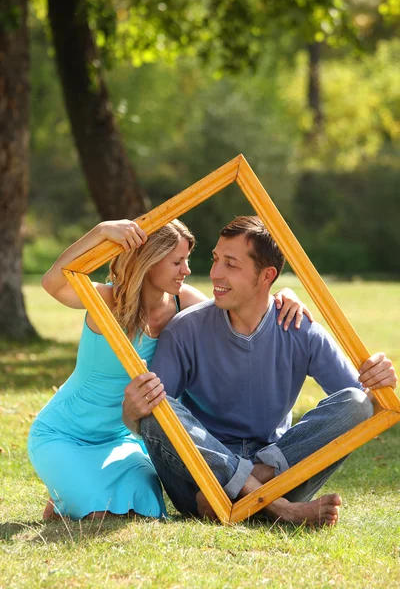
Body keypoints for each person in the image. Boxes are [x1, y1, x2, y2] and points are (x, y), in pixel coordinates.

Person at [122, 216, 398, 526]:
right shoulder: (184, 330)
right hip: (201, 476)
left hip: (276, 470)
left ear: (266, 275)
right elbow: (155, 422)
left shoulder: (300, 329)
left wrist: (380, 383)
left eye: (231, 264)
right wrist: (133, 412)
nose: (215, 274)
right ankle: (280, 509)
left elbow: (362, 409)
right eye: (215, 260)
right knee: (158, 403)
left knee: (357, 403)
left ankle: (242, 493)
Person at [28, 218, 310, 521]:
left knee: (144, 510)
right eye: (177, 261)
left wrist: (284, 295)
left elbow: (240, 310)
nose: (186, 270)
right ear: (150, 261)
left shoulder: (182, 301)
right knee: (100, 514)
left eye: (186, 260)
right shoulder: (107, 300)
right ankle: (68, 495)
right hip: (64, 433)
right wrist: (100, 232)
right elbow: (52, 283)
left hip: (123, 438)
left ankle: (68, 498)